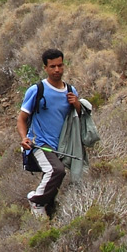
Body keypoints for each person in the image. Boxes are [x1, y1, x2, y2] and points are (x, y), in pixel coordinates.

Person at [18, 48, 88, 218]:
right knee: (56, 171)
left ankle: (45, 221)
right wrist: (24, 138)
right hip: (39, 143)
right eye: (52, 66)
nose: (57, 70)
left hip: (61, 145)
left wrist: (77, 104)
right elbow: (21, 118)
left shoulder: (71, 91)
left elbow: (79, 117)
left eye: (60, 65)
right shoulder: (37, 90)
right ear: (45, 68)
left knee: (53, 182)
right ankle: (36, 200)